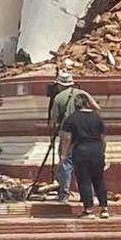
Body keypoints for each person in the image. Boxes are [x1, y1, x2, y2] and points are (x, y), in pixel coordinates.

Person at [60, 91, 108, 217]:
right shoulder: (97, 117)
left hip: (81, 151)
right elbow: (103, 137)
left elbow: (67, 138)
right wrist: (102, 151)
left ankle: (89, 210)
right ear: (87, 103)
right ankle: (104, 208)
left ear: (75, 105)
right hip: (97, 150)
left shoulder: (71, 119)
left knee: (84, 180)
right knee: (99, 180)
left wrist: (64, 155)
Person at [48, 70, 78, 200]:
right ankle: (85, 193)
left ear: (59, 85)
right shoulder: (83, 94)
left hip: (66, 134)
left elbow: (53, 120)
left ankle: (64, 192)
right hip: (85, 135)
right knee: (83, 164)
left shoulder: (58, 98)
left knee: (65, 161)